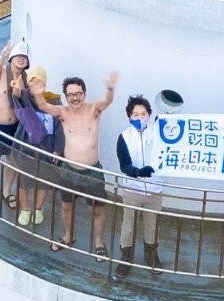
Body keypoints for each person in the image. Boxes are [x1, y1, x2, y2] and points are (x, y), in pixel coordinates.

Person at [53, 72, 117, 255]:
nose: (75, 98)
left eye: (78, 93)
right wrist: (37, 93)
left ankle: (99, 242)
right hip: (68, 170)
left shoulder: (94, 109)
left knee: (97, 209)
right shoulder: (64, 113)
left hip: (92, 171)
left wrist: (110, 88)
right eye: (71, 95)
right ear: (66, 97)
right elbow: (43, 106)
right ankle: (68, 236)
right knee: (66, 206)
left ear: (84, 93)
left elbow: (107, 101)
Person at [113, 95, 162, 277]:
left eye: (143, 114)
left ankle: (151, 254)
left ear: (149, 115)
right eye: (135, 114)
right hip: (133, 189)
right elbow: (124, 165)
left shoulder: (158, 133)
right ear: (129, 116)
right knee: (128, 225)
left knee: (152, 224)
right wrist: (138, 172)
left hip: (155, 189)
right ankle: (126, 256)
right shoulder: (124, 137)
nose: (140, 118)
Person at [12, 67, 62, 229]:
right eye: (31, 80)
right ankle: (25, 209)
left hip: (46, 150)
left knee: (43, 182)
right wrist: (17, 89)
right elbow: (17, 97)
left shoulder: (54, 102)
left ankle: (38, 208)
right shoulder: (25, 97)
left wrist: (57, 150)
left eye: (37, 80)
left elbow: (60, 128)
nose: (34, 83)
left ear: (44, 83)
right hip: (26, 150)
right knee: (23, 181)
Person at [0, 43, 29, 212]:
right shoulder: (1, 72)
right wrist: (3, 55)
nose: (21, 59)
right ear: (11, 58)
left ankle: (7, 191)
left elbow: (23, 102)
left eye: (24, 57)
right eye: (18, 56)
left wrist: (19, 92)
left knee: (13, 161)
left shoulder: (24, 78)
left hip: (14, 127)